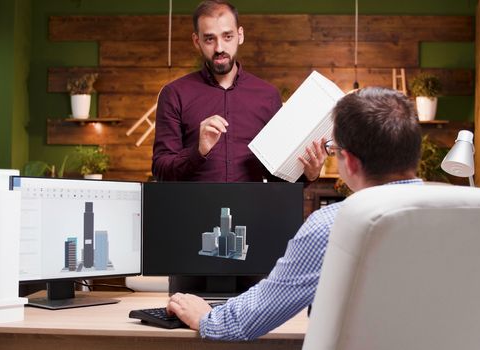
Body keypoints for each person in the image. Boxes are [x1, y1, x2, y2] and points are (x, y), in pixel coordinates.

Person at [166, 87, 425, 340]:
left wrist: (206, 318)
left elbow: (257, 315)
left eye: (333, 147)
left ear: (351, 161)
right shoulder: (462, 217)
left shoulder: (332, 226)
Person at [151, 0, 325, 182]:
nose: (219, 48)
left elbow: (277, 178)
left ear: (240, 35)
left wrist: (310, 175)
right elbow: (161, 170)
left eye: (227, 36)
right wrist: (198, 151)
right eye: (210, 39)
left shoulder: (268, 95)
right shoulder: (174, 94)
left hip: (252, 209)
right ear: (197, 41)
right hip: (193, 209)